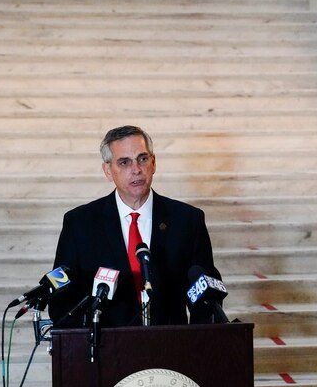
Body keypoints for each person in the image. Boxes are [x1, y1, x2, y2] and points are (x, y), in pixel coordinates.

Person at [48, 125, 221, 327]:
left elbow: (206, 294)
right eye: (124, 162)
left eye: (143, 159)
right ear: (108, 170)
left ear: (154, 163)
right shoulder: (79, 223)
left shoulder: (188, 220)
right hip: (107, 350)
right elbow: (61, 301)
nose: (136, 169)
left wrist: (198, 344)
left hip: (171, 347)